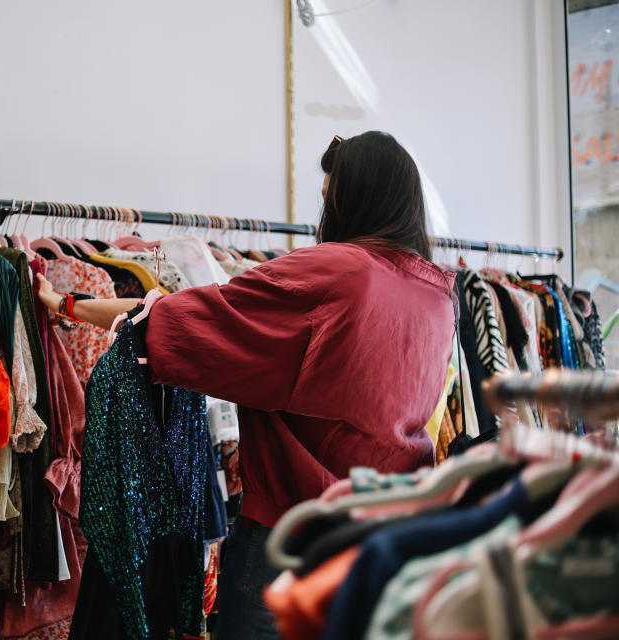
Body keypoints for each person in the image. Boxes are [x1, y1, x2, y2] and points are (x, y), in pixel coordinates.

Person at [37, 131, 457, 639]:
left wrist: (67, 305)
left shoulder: (337, 275)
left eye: (329, 201)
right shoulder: (436, 297)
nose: (323, 219)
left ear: (354, 201)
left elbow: (175, 323)